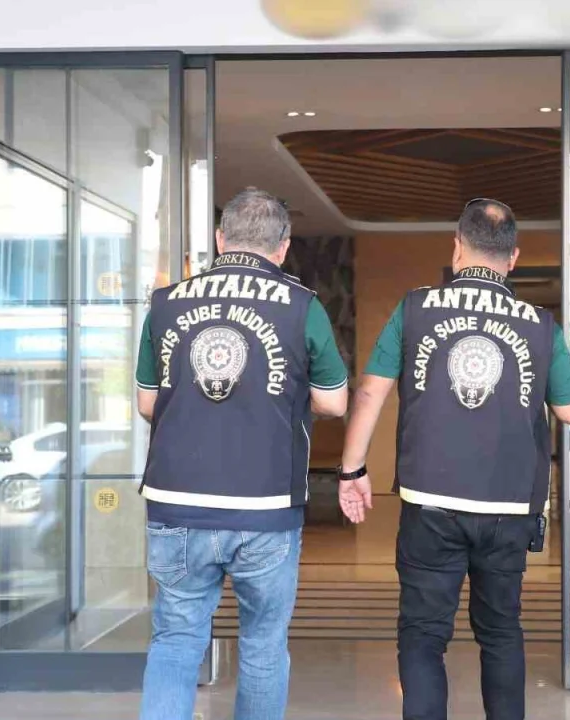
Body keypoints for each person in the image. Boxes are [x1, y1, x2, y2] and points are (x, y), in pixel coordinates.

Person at [337, 199, 570, 720]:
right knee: (501, 631)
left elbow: (370, 392)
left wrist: (352, 470)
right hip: (508, 507)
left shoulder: (416, 308)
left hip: (430, 503)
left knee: (423, 634)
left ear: (457, 248)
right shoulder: (540, 324)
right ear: (513, 258)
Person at [135, 188, 349, 720]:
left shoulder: (166, 303)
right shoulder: (303, 305)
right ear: (283, 247)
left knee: (175, 642)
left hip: (176, 503)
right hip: (265, 505)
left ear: (219, 239)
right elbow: (334, 401)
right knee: (263, 645)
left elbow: (147, 403)